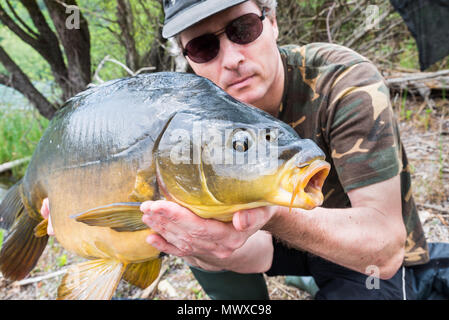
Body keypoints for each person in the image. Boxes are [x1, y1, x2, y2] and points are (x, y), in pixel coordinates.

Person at [41, 0, 430, 299]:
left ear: (272, 21)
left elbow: (385, 249)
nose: (231, 60)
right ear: (188, 59)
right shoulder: (185, 114)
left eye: (243, 29)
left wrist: (273, 214)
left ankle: (315, 275)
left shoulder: (344, 82)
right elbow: (239, 247)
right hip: (265, 241)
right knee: (192, 228)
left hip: (360, 249)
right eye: (203, 47)